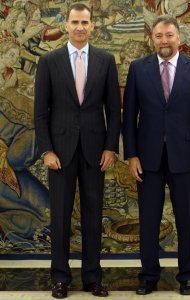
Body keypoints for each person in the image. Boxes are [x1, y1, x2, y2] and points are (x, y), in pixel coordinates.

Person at [122, 15, 190, 296]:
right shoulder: (138, 69)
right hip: (147, 158)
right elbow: (129, 117)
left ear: (179, 38)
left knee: (186, 220)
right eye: (159, 36)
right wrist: (132, 155)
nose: (164, 40)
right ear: (153, 38)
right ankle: (148, 276)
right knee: (148, 221)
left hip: (185, 158)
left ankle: (188, 276)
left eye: (169, 35)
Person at [34, 3, 121, 299]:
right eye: (75, 21)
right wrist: (46, 150)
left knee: (93, 215)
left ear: (93, 25)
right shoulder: (49, 61)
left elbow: (114, 110)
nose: (80, 26)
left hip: (96, 152)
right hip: (59, 152)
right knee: (59, 217)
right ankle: (60, 277)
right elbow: (40, 113)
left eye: (85, 21)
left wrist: (111, 147)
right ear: (66, 24)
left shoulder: (106, 60)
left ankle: (92, 277)